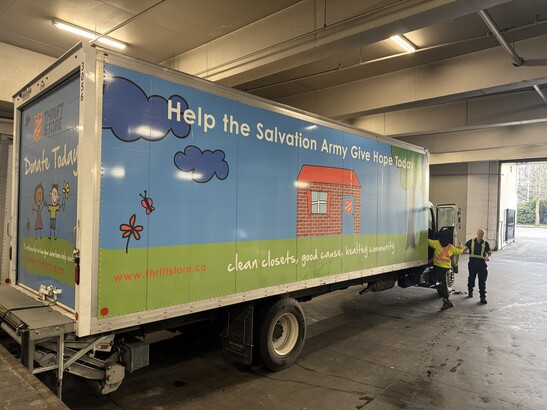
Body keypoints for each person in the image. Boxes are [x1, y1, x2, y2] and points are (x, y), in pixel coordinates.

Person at [428, 231, 464, 311]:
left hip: (438, 267)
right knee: (442, 282)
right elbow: (459, 251)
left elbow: (428, 242)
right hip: (446, 267)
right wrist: (460, 246)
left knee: (441, 282)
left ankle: (446, 300)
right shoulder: (450, 247)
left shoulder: (437, 243)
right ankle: (446, 299)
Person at [464, 228, 492, 304]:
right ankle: (470, 291)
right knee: (471, 279)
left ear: (484, 235)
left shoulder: (485, 243)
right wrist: (462, 249)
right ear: (476, 234)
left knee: (482, 281)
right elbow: (465, 248)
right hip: (472, 263)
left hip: (481, 264)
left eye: (482, 234)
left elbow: (489, 252)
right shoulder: (471, 241)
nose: (481, 235)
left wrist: (489, 257)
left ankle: (482, 297)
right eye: (479, 234)